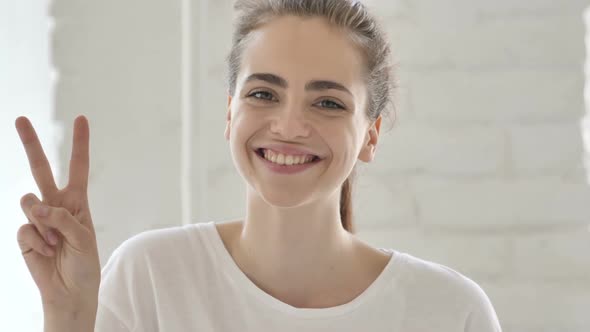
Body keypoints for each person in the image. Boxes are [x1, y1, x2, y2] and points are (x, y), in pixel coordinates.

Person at [16, 0, 502, 331]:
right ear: (231, 114)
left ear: (370, 135)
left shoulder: (449, 312)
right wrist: (68, 315)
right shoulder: (152, 278)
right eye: (263, 94)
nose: (289, 126)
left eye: (328, 103)